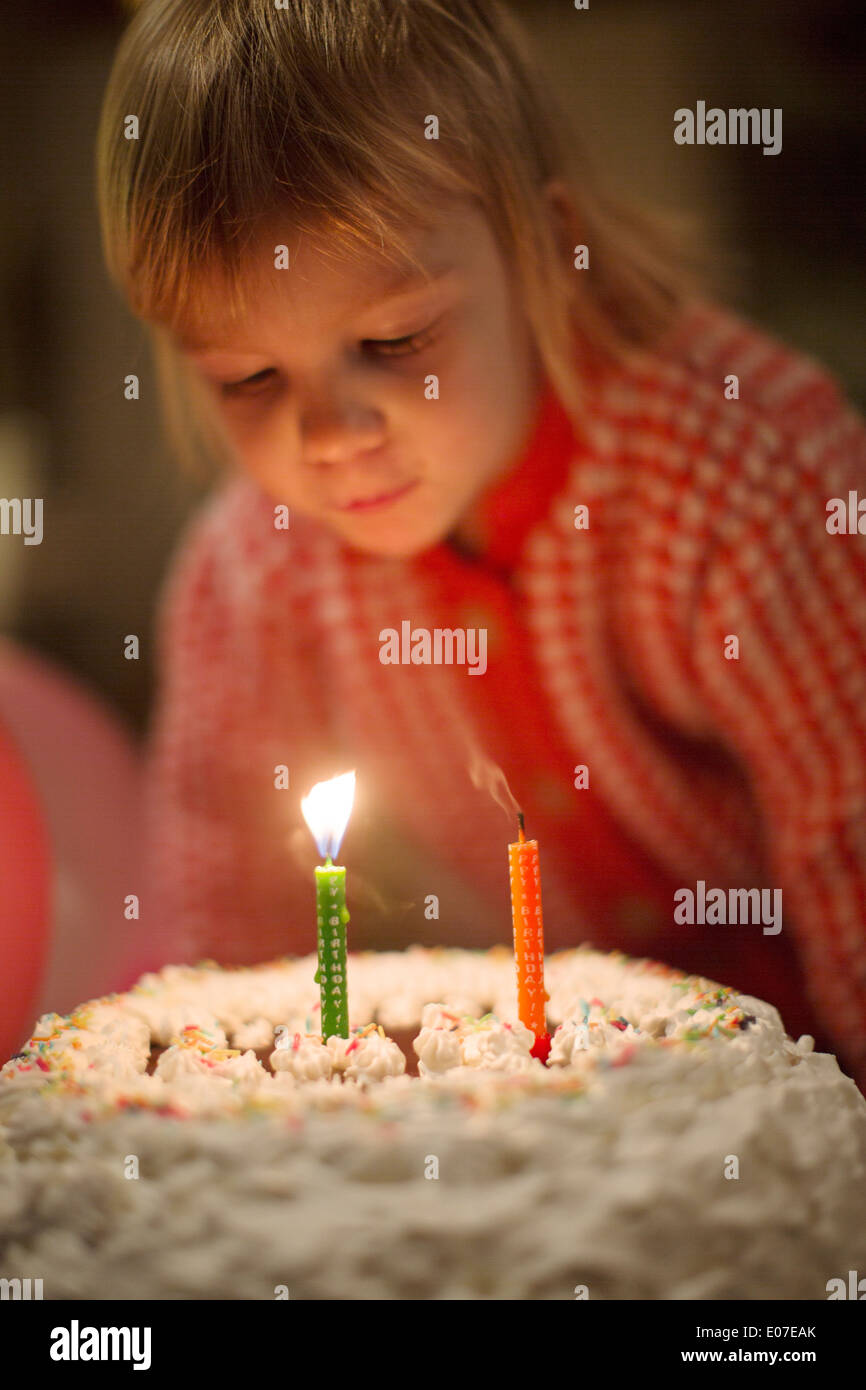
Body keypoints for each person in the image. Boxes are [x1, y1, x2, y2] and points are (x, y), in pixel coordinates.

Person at [96, 0, 866, 1089]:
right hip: (580, 1094)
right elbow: (226, 918)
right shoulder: (253, 573)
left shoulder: (743, 475)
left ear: (546, 250)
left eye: (392, 340)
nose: (326, 436)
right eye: (247, 378)